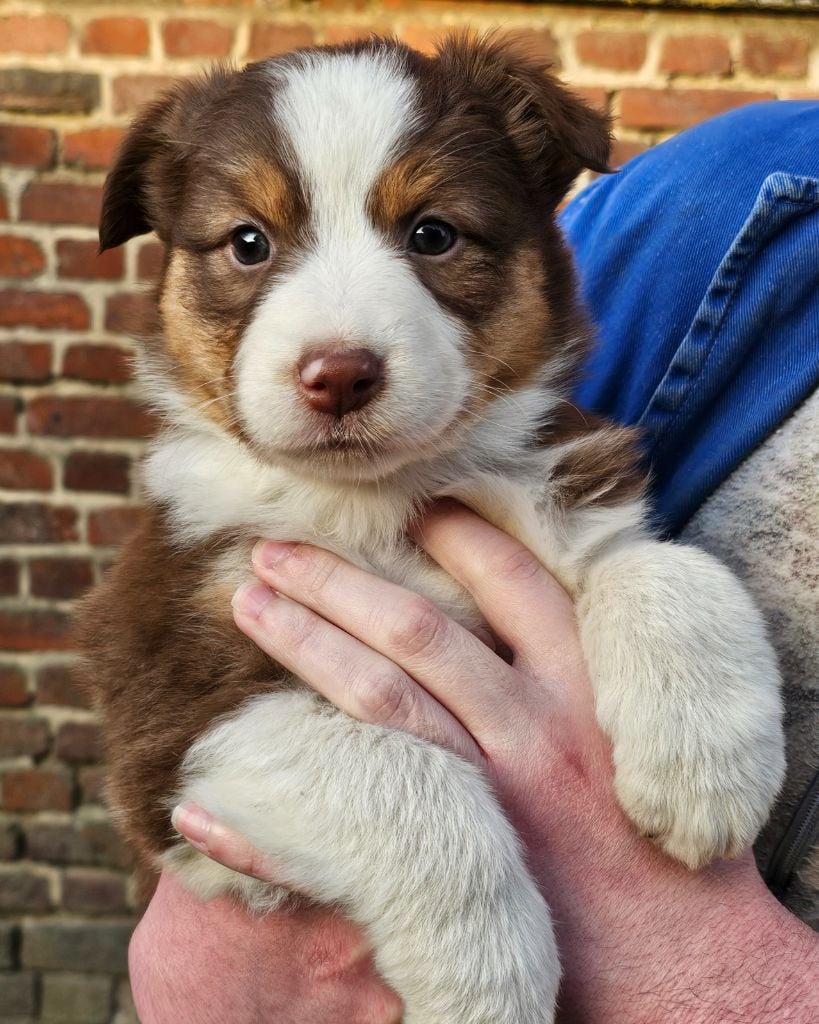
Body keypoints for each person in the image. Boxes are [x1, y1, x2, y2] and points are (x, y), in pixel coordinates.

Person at [128, 101, 819, 1021]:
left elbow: (618, 559)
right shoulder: (749, 196)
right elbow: (176, 774)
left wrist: (662, 600)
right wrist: (450, 888)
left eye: (432, 233)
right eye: (248, 243)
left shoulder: (564, 463)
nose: (335, 352)